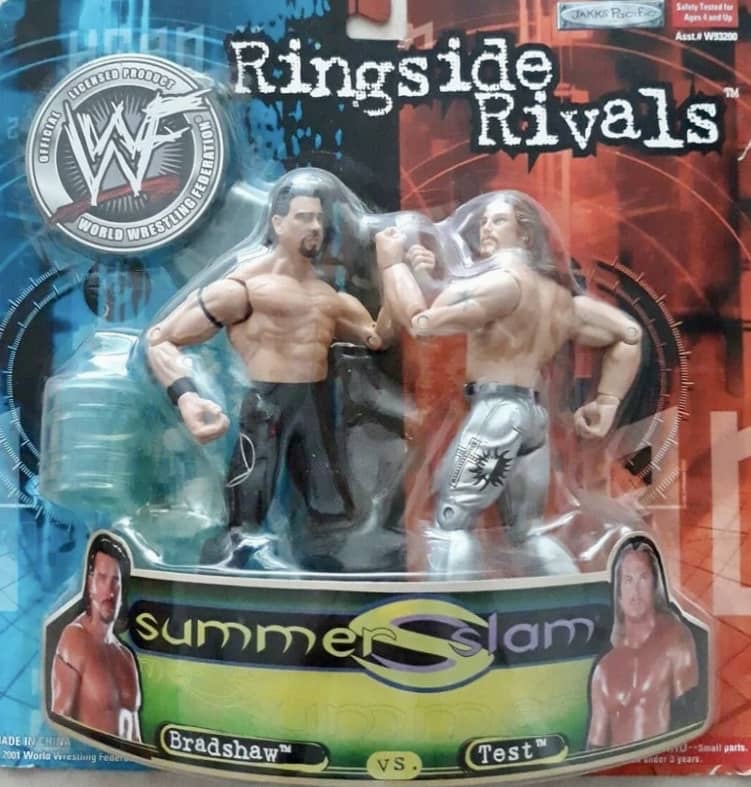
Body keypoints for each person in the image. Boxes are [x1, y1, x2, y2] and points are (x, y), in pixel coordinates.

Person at [375, 191, 643, 575]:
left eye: (498, 220)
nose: (485, 227)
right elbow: (628, 334)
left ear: (526, 235)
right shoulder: (559, 298)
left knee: (451, 523)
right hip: (532, 419)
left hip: (496, 415)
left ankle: (452, 609)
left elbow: (421, 323)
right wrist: (607, 401)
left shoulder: (500, 285)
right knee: (528, 533)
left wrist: (391, 264)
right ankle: (572, 599)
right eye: (483, 220)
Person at [147, 171, 387, 569]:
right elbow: (160, 338)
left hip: (315, 406)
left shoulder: (330, 297)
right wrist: (187, 398)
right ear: (277, 223)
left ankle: (326, 574)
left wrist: (395, 268)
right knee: (246, 510)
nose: (315, 227)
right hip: (265, 404)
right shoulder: (243, 288)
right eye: (303, 217)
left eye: (319, 218)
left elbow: (380, 337)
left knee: (332, 511)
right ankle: (231, 567)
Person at [587, 539, 699, 747]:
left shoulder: (676, 640)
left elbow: (690, 715)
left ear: (655, 586)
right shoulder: (604, 670)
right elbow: (595, 745)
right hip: (620, 766)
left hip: (666, 761)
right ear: (618, 594)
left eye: (643, 578)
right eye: (628, 580)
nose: (635, 591)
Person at [51, 534, 141, 741]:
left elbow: (136, 737)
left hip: (126, 761)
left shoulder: (126, 656)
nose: (110, 591)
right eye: (102, 578)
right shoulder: (74, 639)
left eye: (116, 581)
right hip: (90, 758)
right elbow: (59, 719)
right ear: (90, 582)